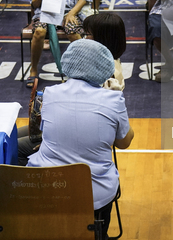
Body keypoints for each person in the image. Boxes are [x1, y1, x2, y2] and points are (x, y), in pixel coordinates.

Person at [27, 38, 134, 240]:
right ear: (104, 69)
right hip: (95, 193)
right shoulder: (113, 99)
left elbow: (46, 132)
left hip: (48, 189)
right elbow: (124, 142)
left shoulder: (49, 94)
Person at [17, 12, 127, 165]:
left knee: (12, 147)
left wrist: (49, 145)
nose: (83, 38)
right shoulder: (104, 61)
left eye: (88, 34)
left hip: (73, 137)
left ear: (103, 39)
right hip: (68, 125)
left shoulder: (109, 75)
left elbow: (86, 121)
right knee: (14, 134)